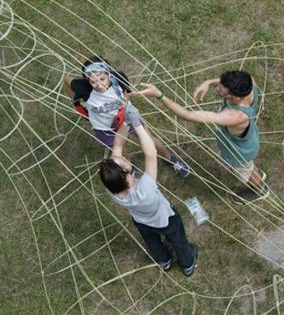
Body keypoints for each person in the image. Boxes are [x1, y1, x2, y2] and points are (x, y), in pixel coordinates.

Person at [131, 70, 268, 204]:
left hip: (239, 153)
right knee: (249, 167)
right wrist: (208, 82)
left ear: (236, 98)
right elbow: (227, 84)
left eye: (223, 92)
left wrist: (159, 95)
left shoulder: (234, 116)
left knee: (246, 171)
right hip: (248, 140)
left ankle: (259, 189)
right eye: (221, 84)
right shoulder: (249, 83)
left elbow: (186, 115)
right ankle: (253, 172)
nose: (218, 89)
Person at [99, 107, 198, 276]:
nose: (122, 157)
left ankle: (164, 260)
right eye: (123, 161)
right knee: (178, 240)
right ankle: (187, 263)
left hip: (142, 222)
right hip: (166, 219)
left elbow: (117, 145)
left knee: (153, 242)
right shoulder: (145, 189)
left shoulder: (113, 189)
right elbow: (151, 154)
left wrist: (126, 123)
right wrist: (137, 124)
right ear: (128, 176)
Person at [64, 56, 189, 178]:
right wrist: (76, 104)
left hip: (127, 118)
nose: (99, 85)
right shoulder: (83, 88)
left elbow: (127, 92)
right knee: (119, 152)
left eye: (102, 79)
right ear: (87, 81)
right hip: (104, 128)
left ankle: (170, 158)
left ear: (109, 74)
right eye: (93, 81)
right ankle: (130, 170)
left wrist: (124, 105)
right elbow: (66, 80)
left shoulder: (119, 78)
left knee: (149, 139)